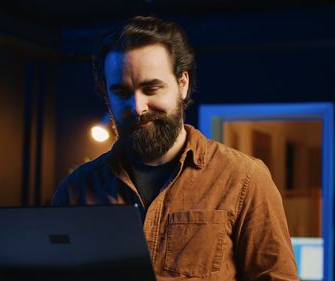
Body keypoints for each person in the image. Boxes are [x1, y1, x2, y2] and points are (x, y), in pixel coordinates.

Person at [52, 16, 298, 280]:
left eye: (151, 88)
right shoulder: (76, 188)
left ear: (182, 84)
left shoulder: (245, 179)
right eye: (122, 92)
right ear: (106, 93)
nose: (137, 107)